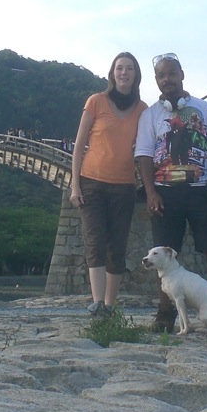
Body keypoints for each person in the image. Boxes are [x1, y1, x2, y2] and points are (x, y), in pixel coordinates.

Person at [135, 52, 207, 332]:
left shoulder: (204, 109)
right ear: (156, 80)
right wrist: (150, 192)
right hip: (165, 193)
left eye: (171, 73)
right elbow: (143, 155)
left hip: (202, 190)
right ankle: (165, 313)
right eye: (161, 75)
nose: (167, 79)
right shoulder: (150, 115)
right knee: (162, 257)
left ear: (182, 74)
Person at [69, 52, 147, 314]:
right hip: (91, 182)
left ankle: (110, 306)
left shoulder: (143, 109)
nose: (124, 73)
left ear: (136, 75)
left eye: (129, 69)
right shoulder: (96, 101)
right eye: (119, 68)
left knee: (118, 246)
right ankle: (97, 303)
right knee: (95, 242)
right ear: (112, 73)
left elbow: (149, 144)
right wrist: (74, 186)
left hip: (124, 185)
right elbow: (79, 146)